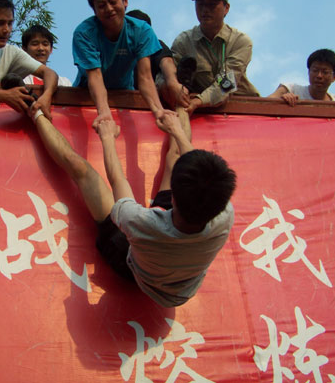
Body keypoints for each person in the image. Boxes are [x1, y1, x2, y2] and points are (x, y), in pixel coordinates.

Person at [27, 103, 236, 307]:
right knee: (175, 157)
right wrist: (177, 130)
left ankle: (35, 113)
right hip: (179, 291)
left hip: (134, 272)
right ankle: (181, 104)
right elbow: (193, 162)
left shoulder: (139, 222)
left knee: (81, 170)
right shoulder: (225, 215)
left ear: (173, 197)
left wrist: (107, 137)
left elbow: (118, 180)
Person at [72, 0, 170, 129]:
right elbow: (95, 76)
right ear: (94, 10)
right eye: (101, 5)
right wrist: (104, 112)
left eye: (113, 1)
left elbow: (145, 77)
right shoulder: (84, 34)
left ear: (125, 0)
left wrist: (158, 111)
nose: (109, 9)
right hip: (86, 96)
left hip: (124, 93)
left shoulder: (141, 30)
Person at [171, 0, 260, 115]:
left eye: (212, 5)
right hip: (197, 112)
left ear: (226, 8)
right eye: (200, 4)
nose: (205, 10)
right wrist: (172, 87)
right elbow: (166, 75)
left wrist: (198, 101)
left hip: (242, 111)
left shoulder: (240, 41)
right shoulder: (183, 42)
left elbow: (226, 84)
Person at [126, 10, 190, 110]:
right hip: (121, 95)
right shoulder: (116, 47)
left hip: (153, 97)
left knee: (165, 82)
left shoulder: (155, 44)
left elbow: (166, 62)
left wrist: (173, 83)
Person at [267, 49, 335, 108]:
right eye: (315, 70)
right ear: (308, 72)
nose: (319, 76)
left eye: (325, 72)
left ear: (334, 77)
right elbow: (265, 103)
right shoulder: (291, 89)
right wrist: (281, 100)